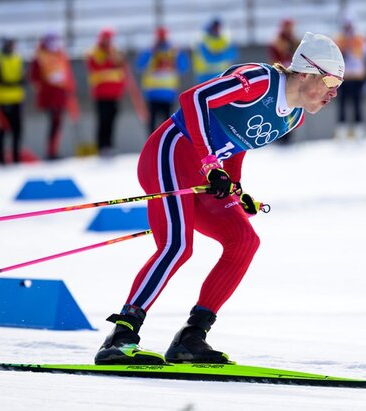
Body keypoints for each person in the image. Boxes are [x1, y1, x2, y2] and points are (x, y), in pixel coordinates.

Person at [94, 32, 344, 365]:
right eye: (331, 81)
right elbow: (194, 98)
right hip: (170, 153)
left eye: (339, 84)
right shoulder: (261, 81)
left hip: (202, 174)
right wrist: (211, 164)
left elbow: (240, 142)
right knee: (177, 246)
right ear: (306, 73)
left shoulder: (292, 117)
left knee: (244, 241)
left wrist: (235, 186)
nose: (334, 92)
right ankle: (121, 335)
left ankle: (191, 337)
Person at [30, 32, 76, 160]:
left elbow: (67, 73)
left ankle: (53, 150)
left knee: (58, 123)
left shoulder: (61, 54)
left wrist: (70, 89)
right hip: (48, 95)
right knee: (54, 123)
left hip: (60, 94)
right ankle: (51, 151)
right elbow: (34, 77)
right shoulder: (39, 56)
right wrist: (48, 80)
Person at [135, 26, 189, 134]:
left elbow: (183, 67)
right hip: (153, 94)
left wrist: (179, 54)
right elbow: (139, 65)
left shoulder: (173, 52)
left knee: (167, 124)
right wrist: (151, 51)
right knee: (152, 123)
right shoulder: (151, 51)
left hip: (167, 94)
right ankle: (152, 142)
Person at [86, 28, 126, 157]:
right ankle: (101, 146)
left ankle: (109, 145)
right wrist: (110, 57)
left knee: (112, 120)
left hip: (114, 93)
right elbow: (96, 66)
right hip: (101, 93)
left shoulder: (115, 51)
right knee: (103, 120)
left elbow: (121, 69)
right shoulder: (96, 52)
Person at [334, 17, 366, 140]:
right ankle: (341, 131)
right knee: (342, 104)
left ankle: (359, 129)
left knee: (357, 104)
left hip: (357, 77)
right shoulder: (339, 39)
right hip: (343, 78)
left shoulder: (361, 39)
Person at [0, 37, 25, 165]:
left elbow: (22, 77)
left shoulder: (17, 58)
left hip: (16, 98)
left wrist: (18, 81)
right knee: (3, 129)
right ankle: (1, 158)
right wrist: (15, 82)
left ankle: (16, 158)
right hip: (1, 99)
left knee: (17, 130)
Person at [268, 18, 300, 145]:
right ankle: (278, 134)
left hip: (292, 76)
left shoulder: (294, 40)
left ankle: (289, 133)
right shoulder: (277, 41)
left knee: (291, 104)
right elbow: (274, 57)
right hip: (281, 74)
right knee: (280, 103)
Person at [193, 18, 238, 84]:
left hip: (222, 75)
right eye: (215, 28)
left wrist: (217, 54)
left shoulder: (225, 39)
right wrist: (222, 54)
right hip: (205, 76)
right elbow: (209, 58)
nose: (217, 30)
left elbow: (233, 54)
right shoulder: (203, 40)